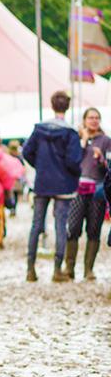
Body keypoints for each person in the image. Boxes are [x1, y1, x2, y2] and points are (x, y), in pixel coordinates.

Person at [23, 91, 83, 283]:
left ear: (51, 104)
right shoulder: (70, 132)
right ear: (67, 106)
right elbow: (74, 161)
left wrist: (40, 166)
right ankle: (57, 270)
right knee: (60, 225)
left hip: (42, 182)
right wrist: (72, 173)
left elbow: (27, 152)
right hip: (64, 184)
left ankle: (30, 269)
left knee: (36, 224)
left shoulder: (39, 129)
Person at [64, 107, 110, 280]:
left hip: (97, 190)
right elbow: (71, 162)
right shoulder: (75, 139)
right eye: (90, 117)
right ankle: (70, 268)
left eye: (97, 117)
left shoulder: (106, 140)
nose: (94, 120)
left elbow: (109, 167)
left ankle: (88, 269)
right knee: (73, 228)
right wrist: (82, 142)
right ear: (84, 120)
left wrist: (102, 160)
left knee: (94, 229)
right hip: (77, 188)